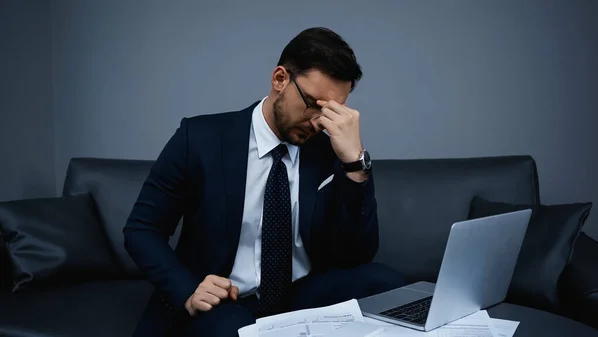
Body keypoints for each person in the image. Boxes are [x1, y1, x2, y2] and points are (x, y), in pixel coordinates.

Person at [123, 27, 406, 337]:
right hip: (224, 298)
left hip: (301, 296)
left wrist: (354, 164)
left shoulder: (330, 152)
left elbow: (358, 256)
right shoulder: (200, 139)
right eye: (313, 103)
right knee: (234, 329)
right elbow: (142, 229)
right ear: (280, 79)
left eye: (330, 111)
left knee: (386, 283)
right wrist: (188, 290)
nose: (317, 122)